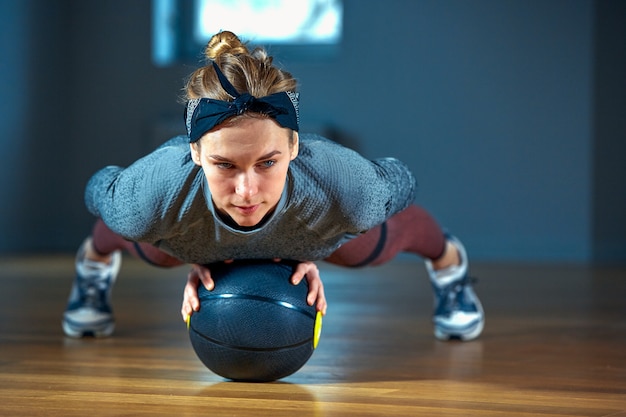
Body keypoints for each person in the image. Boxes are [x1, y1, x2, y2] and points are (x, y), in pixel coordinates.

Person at [62, 30, 484, 342]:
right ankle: (93, 266)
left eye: (267, 162)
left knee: (367, 244)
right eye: (224, 164)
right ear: (194, 152)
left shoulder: (347, 190)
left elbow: (401, 179)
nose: (247, 191)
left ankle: (450, 265)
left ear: (295, 145)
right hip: (188, 224)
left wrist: (309, 247)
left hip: (311, 223)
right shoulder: (149, 194)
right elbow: (100, 190)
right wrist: (198, 250)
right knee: (140, 232)